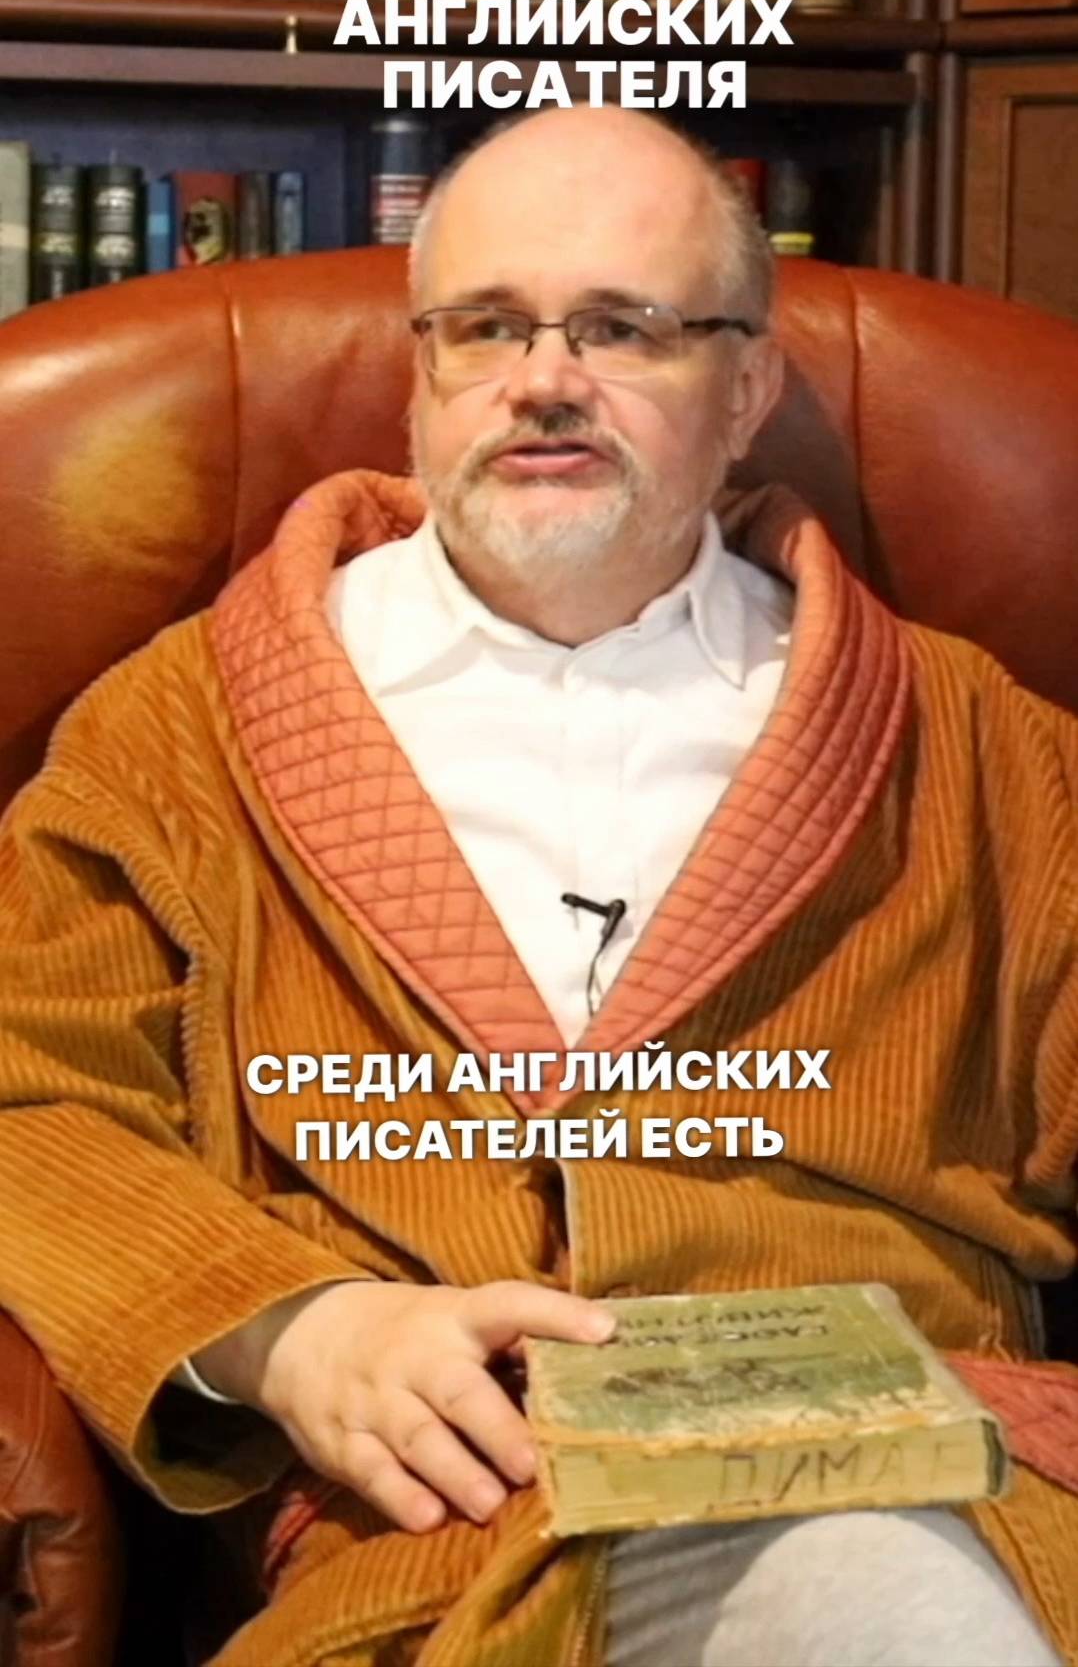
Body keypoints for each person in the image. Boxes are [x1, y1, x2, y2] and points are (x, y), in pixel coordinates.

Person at [0, 105, 1076, 1667]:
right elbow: (30, 1097)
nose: (544, 379)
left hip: (898, 1477)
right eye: (487, 326)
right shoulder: (176, 734)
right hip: (440, 1531)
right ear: (420, 375)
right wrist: (290, 1330)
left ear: (746, 388)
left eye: (623, 328)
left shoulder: (987, 751)